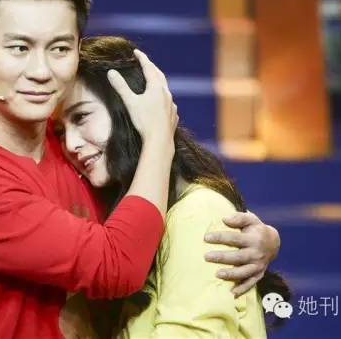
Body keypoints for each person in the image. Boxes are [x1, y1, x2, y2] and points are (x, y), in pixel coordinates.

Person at [0, 0, 281, 339]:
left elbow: (147, 223)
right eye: (19, 48)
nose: (41, 71)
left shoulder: (73, 149)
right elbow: (117, 265)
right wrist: (159, 136)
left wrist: (255, 238)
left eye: (59, 48)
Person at [57, 36, 290, 338]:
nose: (70, 143)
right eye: (60, 131)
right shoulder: (108, 217)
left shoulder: (198, 213)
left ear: (131, 110)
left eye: (81, 117)